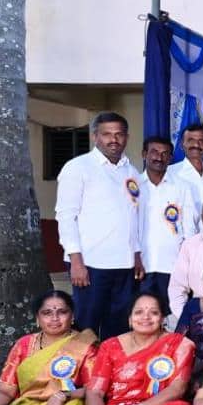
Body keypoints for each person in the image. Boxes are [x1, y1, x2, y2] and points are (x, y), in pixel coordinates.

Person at [55, 112, 141, 339]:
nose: (114, 140)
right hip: (91, 264)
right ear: (95, 137)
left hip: (124, 265)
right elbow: (66, 216)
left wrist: (136, 255)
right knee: (87, 328)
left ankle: (111, 364)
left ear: (126, 137)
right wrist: (76, 261)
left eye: (119, 134)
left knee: (119, 330)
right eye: (107, 134)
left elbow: (133, 218)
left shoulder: (132, 172)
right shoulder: (78, 167)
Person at [73, 293, 195, 405]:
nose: (146, 317)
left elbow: (177, 388)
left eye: (154, 312)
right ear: (130, 319)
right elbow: (95, 392)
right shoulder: (110, 346)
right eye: (139, 312)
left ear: (163, 319)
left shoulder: (179, 344)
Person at [137, 136, 199, 312]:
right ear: (144, 154)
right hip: (140, 265)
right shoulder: (134, 185)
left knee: (171, 317)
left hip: (172, 265)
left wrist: (187, 263)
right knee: (142, 316)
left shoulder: (183, 187)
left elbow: (189, 228)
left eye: (165, 154)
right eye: (154, 152)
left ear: (171, 158)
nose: (159, 157)